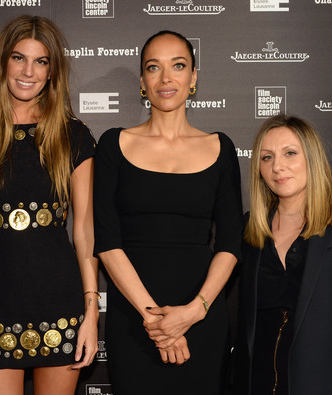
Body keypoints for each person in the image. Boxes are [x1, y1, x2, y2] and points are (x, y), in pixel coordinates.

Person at [0, 15, 98, 395]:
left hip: (59, 300)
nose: (29, 71)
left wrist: (91, 311)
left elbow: (86, 229)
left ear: (53, 70)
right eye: (18, 58)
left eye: (41, 61)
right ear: (2, 64)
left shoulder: (73, 136)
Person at [93, 30, 243, 394]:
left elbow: (230, 243)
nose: (166, 78)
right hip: (134, 315)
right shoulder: (114, 144)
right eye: (153, 68)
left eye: (178, 66)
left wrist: (193, 312)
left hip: (202, 314)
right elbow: (107, 242)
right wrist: (156, 322)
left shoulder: (220, 148)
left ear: (193, 78)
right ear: (143, 81)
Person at [233, 114, 332, 394]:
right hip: (261, 384)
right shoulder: (251, 229)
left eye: (290, 153)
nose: (278, 167)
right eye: (266, 157)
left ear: (312, 157)